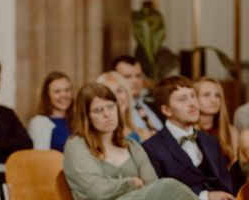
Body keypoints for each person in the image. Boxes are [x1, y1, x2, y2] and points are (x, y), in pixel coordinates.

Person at [63, 82, 197, 200]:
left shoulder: (131, 145)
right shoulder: (76, 144)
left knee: (168, 188)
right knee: (169, 185)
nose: (107, 114)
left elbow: (153, 186)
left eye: (110, 106)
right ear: (86, 116)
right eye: (98, 110)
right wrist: (132, 182)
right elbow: (96, 191)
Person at [142, 75, 234, 199]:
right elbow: (158, 194)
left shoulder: (210, 141)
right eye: (182, 99)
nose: (192, 103)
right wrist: (204, 197)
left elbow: (226, 185)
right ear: (166, 110)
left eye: (193, 96)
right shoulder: (151, 148)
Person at [111, 56, 162, 136]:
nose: (135, 81)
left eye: (138, 76)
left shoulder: (156, 106)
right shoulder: (112, 111)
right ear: (114, 79)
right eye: (127, 76)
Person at [194, 77, 238, 165]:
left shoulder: (230, 131)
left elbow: (235, 168)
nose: (213, 100)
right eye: (206, 95)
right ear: (194, 98)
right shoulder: (188, 133)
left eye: (217, 95)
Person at [28, 71, 74, 151]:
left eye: (67, 90)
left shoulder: (79, 120)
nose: (64, 95)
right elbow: (38, 158)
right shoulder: (38, 122)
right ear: (47, 95)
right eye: (57, 91)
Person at [97, 71, 147, 142]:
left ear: (127, 94)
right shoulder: (93, 138)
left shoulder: (144, 134)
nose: (116, 97)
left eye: (119, 91)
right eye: (109, 92)